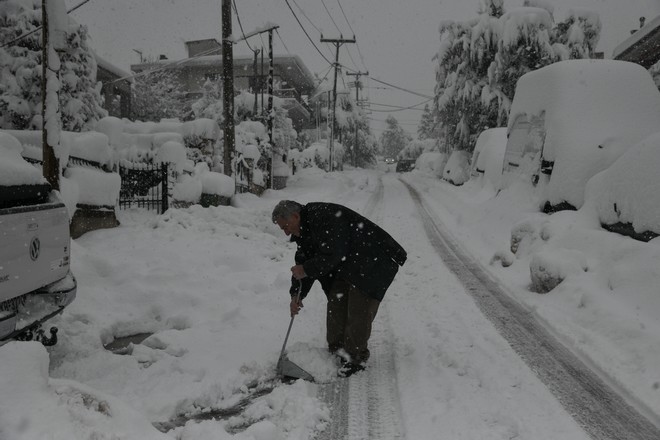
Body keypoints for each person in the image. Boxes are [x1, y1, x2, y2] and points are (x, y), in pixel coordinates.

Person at [272, 200, 407, 377]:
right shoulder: (303, 231)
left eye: (286, 226)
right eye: (282, 229)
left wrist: (305, 270)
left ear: (296, 216)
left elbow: (332, 253)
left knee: (358, 309)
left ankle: (354, 359)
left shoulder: (322, 216)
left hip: (373, 259)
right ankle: (337, 351)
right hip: (348, 264)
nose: (286, 232)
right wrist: (296, 295)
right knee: (337, 302)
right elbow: (304, 262)